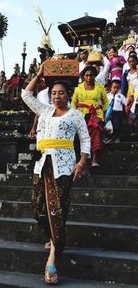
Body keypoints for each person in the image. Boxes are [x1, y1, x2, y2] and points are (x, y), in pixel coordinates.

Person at [21, 64, 90, 285]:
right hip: (43, 164)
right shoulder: (45, 111)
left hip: (64, 166)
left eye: (61, 93)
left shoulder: (76, 115)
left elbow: (85, 140)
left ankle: (52, 258)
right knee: (37, 205)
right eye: (53, 93)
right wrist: (39, 75)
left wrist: (81, 162)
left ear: (68, 94)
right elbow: (25, 95)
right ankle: (51, 235)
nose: (57, 96)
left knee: (58, 208)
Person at [71, 65, 109, 167]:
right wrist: (74, 115)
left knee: (96, 134)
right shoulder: (78, 88)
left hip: (96, 115)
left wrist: (103, 115)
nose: (88, 78)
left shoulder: (100, 87)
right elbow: (73, 103)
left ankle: (94, 159)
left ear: (94, 76)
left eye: (91, 75)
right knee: (81, 136)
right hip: (81, 115)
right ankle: (81, 160)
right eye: (86, 75)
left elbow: (106, 103)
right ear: (83, 76)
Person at [106, 78, 127, 143]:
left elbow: (126, 102)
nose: (115, 89)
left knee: (117, 125)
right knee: (108, 126)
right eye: (114, 87)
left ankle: (116, 137)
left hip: (117, 113)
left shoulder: (121, 96)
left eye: (117, 88)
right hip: (108, 113)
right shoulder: (107, 96)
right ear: (110, 87)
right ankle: (109, 138)